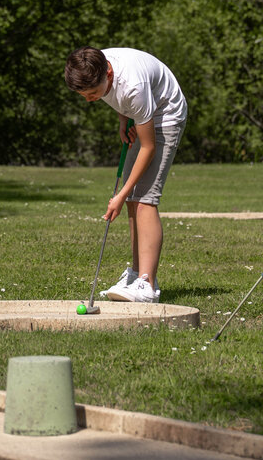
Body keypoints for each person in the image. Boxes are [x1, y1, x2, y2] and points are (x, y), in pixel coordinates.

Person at [64, 46, 188, 303]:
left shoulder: (133, 85)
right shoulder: (94, 67)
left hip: (165, 114)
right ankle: (135, 275)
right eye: (84, 95)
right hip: (142, 111)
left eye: (93, 94)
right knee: (133, 199)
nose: (89, 100)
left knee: (145, 200)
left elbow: (149, 147)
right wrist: (124, 120)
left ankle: (147, 284)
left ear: (108, 72)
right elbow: (116, 97)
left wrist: (119, 194)